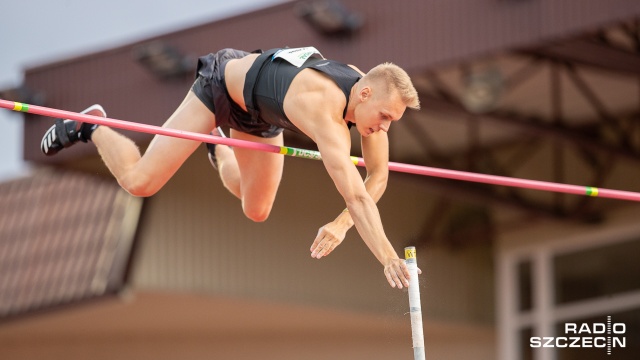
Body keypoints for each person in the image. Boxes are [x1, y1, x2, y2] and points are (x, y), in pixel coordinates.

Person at [40, 46, 421, 289]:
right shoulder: (325, 112)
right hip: (221, 89)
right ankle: (90, 125)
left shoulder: (367, 98)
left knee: (256, 209)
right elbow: (355, 193)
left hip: (264, 115)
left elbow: (378, 175)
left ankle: (217, 147)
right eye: (385, 116)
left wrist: (340, 226)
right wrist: (388, 257)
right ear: (365, 93)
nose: (384, 127)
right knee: (140, 182)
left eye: (393, 121)